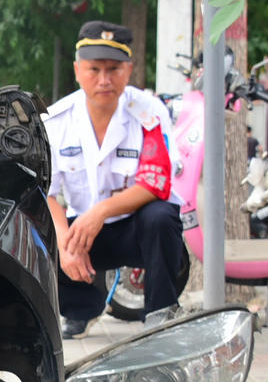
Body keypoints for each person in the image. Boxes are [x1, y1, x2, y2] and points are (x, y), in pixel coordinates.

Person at [44, 21, 185, 338]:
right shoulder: (56, 120)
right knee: (42, 236)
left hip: (137, 228)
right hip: (85, 233)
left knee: (161, 216)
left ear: (129, 70)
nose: (104, 80)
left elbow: (156, 180)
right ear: (77, 70)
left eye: (114, 69)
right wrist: (66, 245)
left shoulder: (149, 111)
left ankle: (161, 314)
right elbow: (46, 193)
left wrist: (100, 212)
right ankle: (81, 308)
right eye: (94, 69)